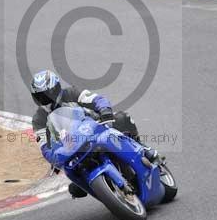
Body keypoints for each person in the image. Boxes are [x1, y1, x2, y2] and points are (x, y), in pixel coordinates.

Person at [30, 70, 159, 198]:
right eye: (39, 97)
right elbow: (44, 146)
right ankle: (92, 185)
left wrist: (105, 111)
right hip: (72, 147)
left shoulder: (71, 93)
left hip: (95, 128)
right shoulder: (38, 119)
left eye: (46, 95)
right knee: (74, 183)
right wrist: (53, 157)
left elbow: (97, 99)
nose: (43, 100)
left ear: (56, 89)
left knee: (121, 118)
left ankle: (143, 148)